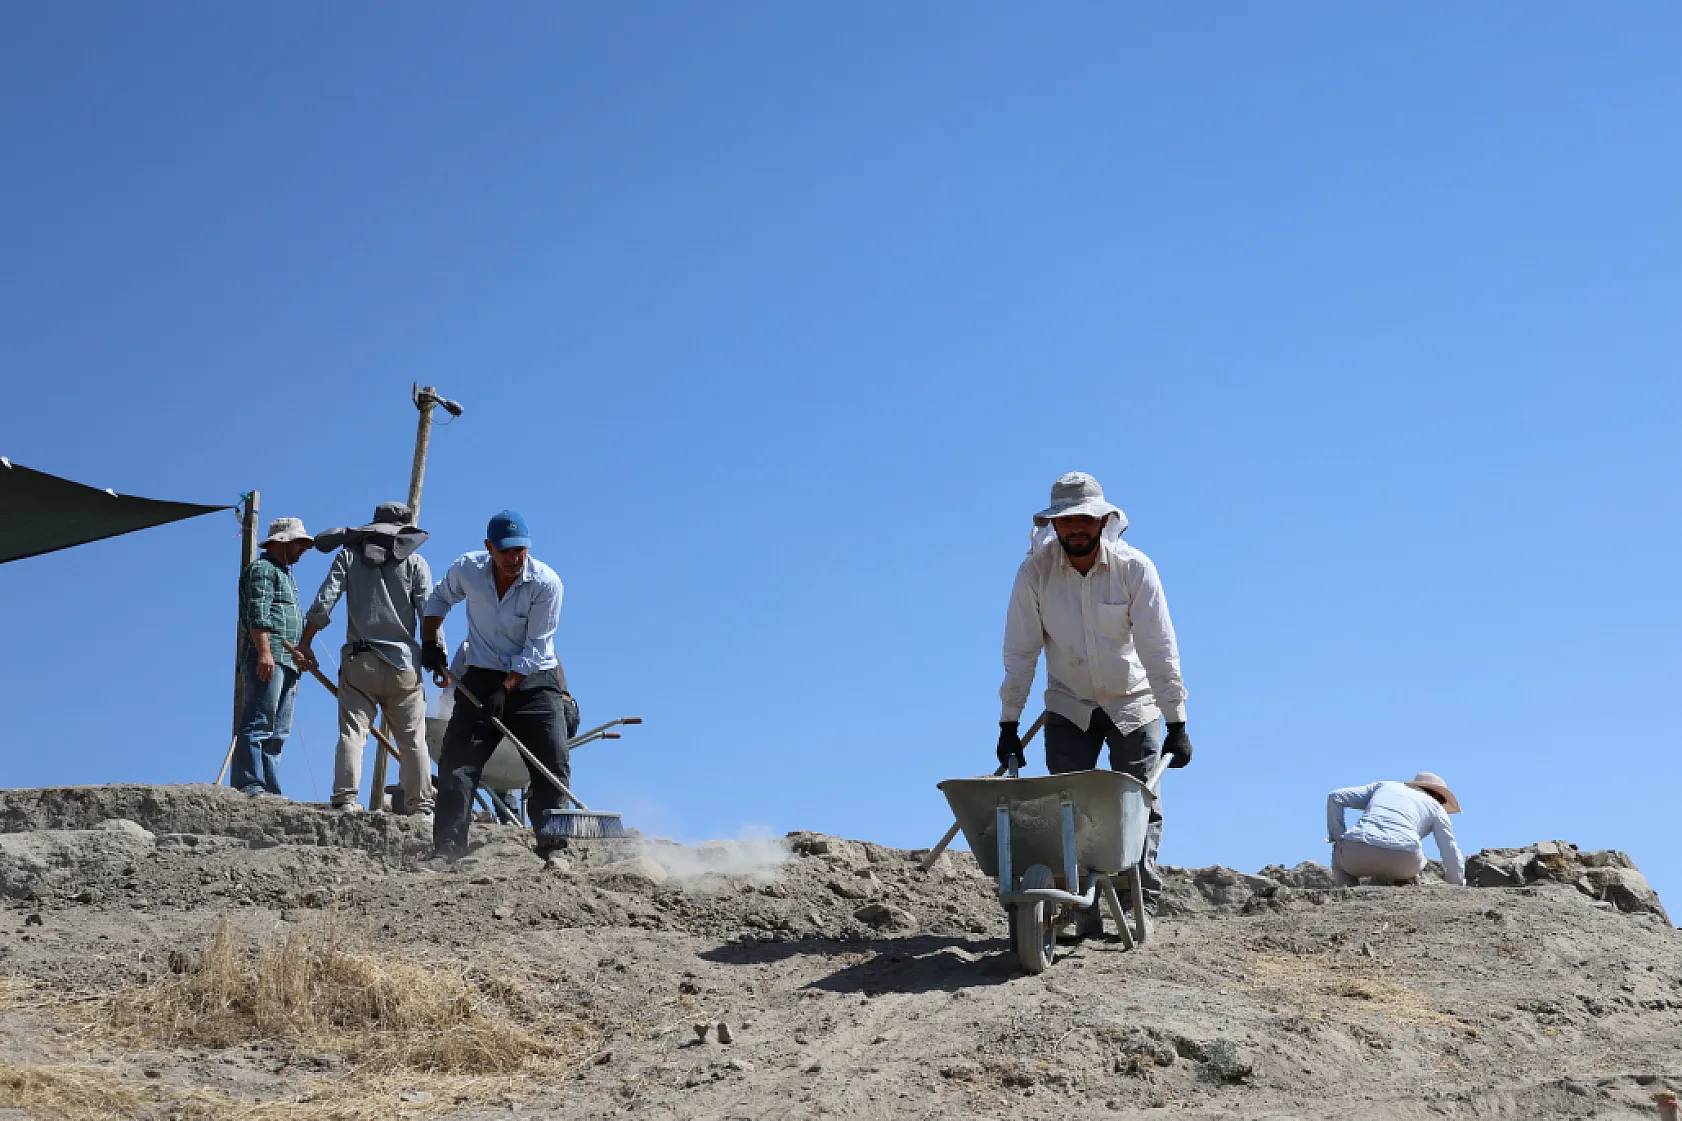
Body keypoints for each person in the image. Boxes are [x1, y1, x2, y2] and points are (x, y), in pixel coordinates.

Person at [998, 472, 1191, 926]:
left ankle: (1135, 904)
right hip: (1069, 704)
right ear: (1053, 526)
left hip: (1133, 703)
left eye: (1084, 519)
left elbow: (1158, 648)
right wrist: (1009, 722)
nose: (1076, 529)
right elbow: (1020, 651)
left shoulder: (1135, 569)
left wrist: (1177, 720)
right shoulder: (1034, 575)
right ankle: (1078, 910)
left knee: (1138, 805)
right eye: (1066, 522)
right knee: (1068, 808)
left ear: (1103, 520)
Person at [419, 510, 578, 864]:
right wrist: (431, 643)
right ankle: (447, 850)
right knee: (456, 763)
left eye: (520, 551)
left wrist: (505, 689)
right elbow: (439, 600)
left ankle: (554, 848)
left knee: (551, 759)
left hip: (535, 680)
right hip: (481, 674)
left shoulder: (546, 583)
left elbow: (537, 648)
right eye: (505, 551)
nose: (513, 559)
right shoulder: (467, 570)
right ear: (489, 547)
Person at [296, 502, 437, 819]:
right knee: (413, 739)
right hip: (403, 666)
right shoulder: (415, 563)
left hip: (360, 663)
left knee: (353, 734)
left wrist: (305, 642)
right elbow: (429, 613)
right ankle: (422, 808)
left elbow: (325, 600)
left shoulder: (349, 556)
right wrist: (436, 658)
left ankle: (345, 800)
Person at [233, 517, 314, 798]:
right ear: (283, 542)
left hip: (286, 661)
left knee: (278, 732)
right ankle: (251, 784)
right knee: (259, 723)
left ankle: (269, 787)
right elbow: (259, 612)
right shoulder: (263, 570)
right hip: (269, 657)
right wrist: (265, 652)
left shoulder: (284, 575)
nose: (303, 549)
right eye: (299, 543)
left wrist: (295, 667)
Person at [1326, 772, 1465, 887]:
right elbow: (1449, 849)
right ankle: (1405, 885)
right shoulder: (1436, 807)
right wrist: (1456, 884)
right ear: (1437, 795)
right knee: (1417, 861)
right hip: (1404, 859)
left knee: (1340, 854)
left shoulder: (1384, 786)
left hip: (1356, 851)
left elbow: (1335, 797)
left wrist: (1338, 838)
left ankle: (1345, 892)